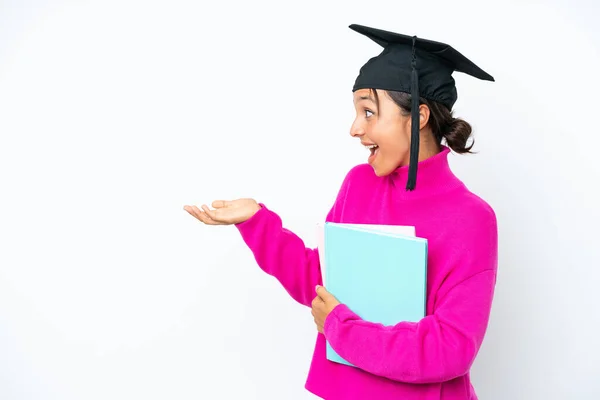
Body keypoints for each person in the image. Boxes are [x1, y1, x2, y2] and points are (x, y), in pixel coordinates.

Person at [184, 24, 498, 400]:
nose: (354, 128)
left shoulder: (472, 219)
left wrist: (341, 328)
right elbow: (320, 284)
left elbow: (451, 349)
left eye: (368, 112)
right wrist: (256, 222)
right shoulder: (359, 185)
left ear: (418, 117)